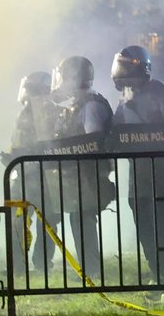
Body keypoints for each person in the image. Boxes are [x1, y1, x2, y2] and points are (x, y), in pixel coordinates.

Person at [111, 45, 164, 282]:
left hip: (161, 166)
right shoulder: (125, 97)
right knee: (142, 219)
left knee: (163, 220)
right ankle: (155, 267)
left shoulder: (162, 93)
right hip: (138, 169)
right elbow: (117, 128)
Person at [46, 56, 115, 280]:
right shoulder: (79, 104)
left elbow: (91, 142)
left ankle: (91, 269)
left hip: (88, 174)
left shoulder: (91, 106)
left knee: (83, 219)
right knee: (79, 219)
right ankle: (88, 266)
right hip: (80, 174)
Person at [2, 71, 55, 277]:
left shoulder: (49, 113)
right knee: (16, 222)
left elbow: (45, 145)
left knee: (47, 222)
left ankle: (42, 263)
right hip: (22, 175)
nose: (26, 94)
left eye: (31, 90)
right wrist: (11, 156)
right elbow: (18, 142)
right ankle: (17, 266)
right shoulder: (23, 113)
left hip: (44, 177)